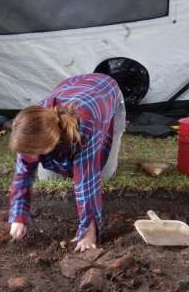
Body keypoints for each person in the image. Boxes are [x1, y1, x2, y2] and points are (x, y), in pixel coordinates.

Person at [7, 73, 126, 251]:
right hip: (72, 86)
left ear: (51, 144)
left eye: (36, 153)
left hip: (106, 95)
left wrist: (88, 230)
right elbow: (23, 173)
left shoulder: (87, 125)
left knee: (103, 174)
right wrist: (18, 216)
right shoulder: (32, 124)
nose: (30, 156)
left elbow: (87, 181)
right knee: (50, 180)